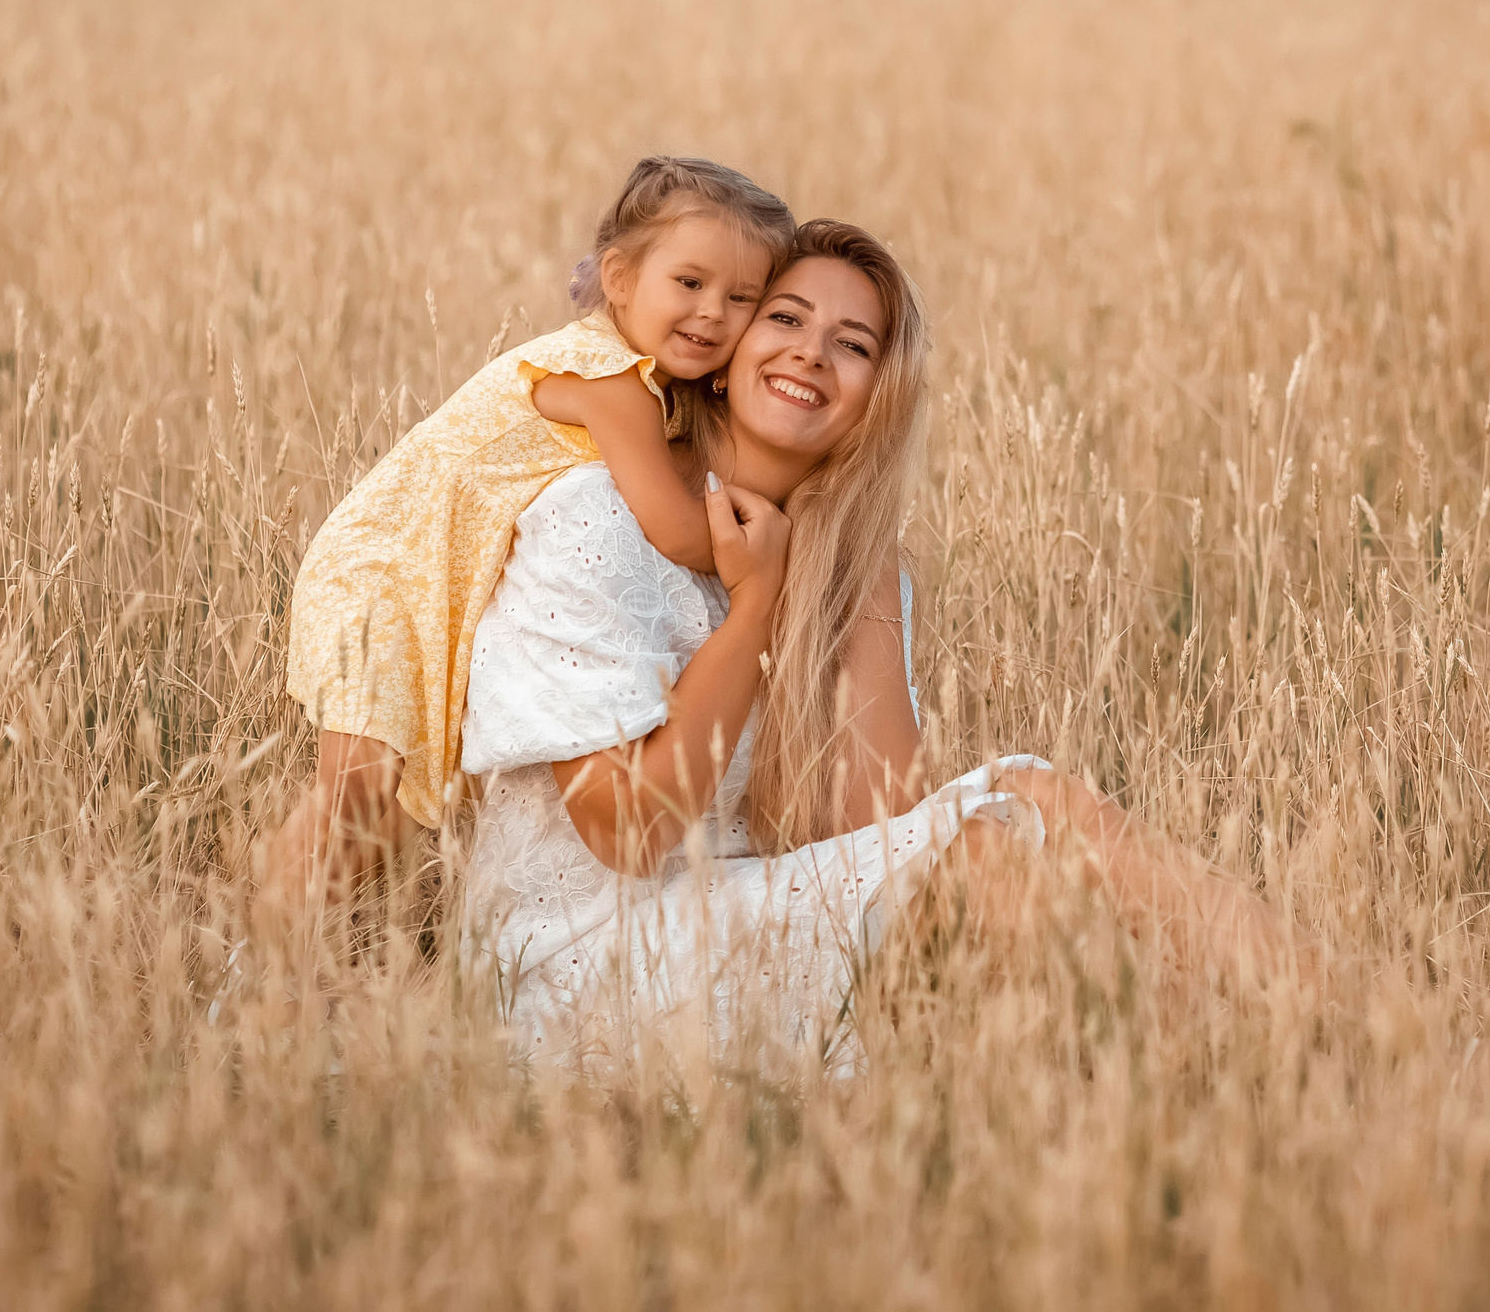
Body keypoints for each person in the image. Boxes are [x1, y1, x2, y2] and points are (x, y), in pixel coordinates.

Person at [268, 221, 1307, 1067]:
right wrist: (756, 606)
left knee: (1030, 795)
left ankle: (1324, 1024)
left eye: (853, 345)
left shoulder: (851, 569)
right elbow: (627, 834)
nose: (813, 349)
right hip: (586, 958)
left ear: (874, 402)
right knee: (995, 844)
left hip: (747, 920)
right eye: (788, 318)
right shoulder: (595, 517)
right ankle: (1260, 1062)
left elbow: (871, 826)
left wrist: (850, 574)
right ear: (721, 361)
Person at [281, 156, 794, 858]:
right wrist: (767, 558)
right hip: (383, 575)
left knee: (380, 822)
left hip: (421, 578)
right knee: (355, 800)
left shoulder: (647, 382)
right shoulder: (611, 380)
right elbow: (674, 527)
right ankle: (262, 955)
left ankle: (299, 942)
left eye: (743, 298)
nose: (713, 311)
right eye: (690, 282)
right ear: (619, 279)